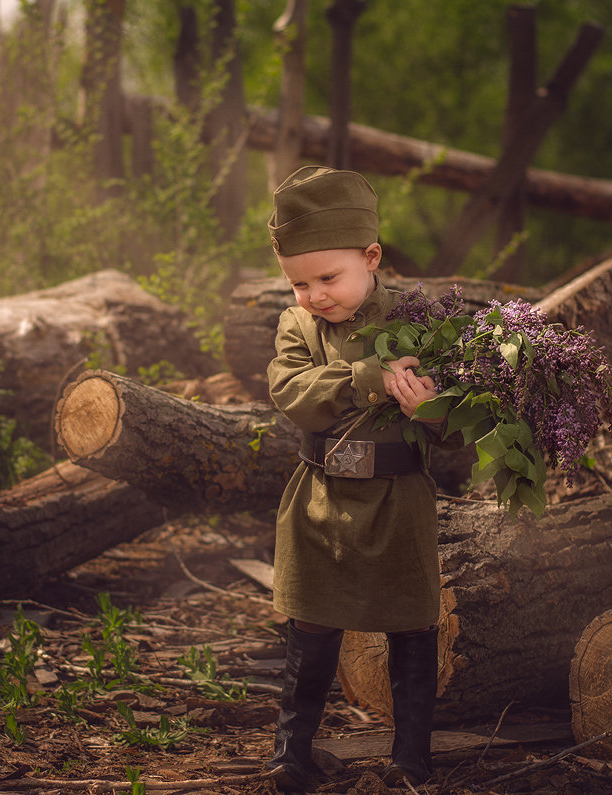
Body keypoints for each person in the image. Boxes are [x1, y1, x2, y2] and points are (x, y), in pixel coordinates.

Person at [263, 165, 447, 791]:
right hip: (320, 498)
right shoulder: (298, 327)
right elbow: (291, 392)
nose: (314, 295)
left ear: (371, 257)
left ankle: (411, 757)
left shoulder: (416, 321)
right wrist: (366, 378)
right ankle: (293, 752)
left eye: (328, 277)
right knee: (310, 623)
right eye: (298, 283)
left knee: (412, 623)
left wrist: (433, 408)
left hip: (399, 498)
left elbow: (459, 421)